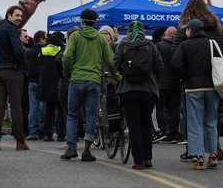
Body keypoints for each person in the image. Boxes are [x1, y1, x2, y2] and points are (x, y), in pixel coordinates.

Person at [60, 9, 117, 162]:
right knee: (91, 115)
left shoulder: (75, 36)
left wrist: (67, 72)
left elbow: (67, 57)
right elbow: (110, 61)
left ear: (81, 21)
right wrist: (117, 76)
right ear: (96, 22)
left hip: (76, 79)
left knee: (72, 114)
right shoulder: (101, 39)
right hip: (94, 81)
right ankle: (86, 150)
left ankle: (71, 147)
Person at [170, 19, 220, 170]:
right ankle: (212, 154)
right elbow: (221, 61)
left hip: (193, 87)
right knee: (211, 121)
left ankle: (199, 157)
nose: (186, 32)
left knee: (195, 122)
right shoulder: (212, 44)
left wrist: (186, 76)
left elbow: (175, 64)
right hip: (212, 87)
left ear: (191, 30)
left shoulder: (185, 45)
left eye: (187, 30)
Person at [114, 21, 163, 170]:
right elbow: (160, 66)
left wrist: (126, 72)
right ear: (142, 31)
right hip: (148, 90)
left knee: (134, 124)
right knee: (146, 123)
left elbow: (115, 65)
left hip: (128, 89)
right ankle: (148, 158)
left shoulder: (123, 45)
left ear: (128, 31)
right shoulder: (151, 45)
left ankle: (138, 160)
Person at [0, 5, 29, 151]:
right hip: (13, 70)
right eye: (16, 15)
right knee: (16, 106)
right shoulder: (12, 30)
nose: (19, 18)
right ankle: (20, 142)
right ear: (9, 16)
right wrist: (24, 66)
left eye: (20, 16)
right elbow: (18, 51)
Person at [155, 26, 183, 143]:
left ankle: (163, 131)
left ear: (165, 33)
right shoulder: (178, 47)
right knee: (174, 109)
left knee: (160, 109)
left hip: (161, 83)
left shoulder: (159, 46)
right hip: (175, 83)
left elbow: (155, 63)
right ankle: (174, 132)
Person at [37, 32, 65, 142]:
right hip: (59, 81)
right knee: (61, 110)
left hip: (46, 83)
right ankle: (61, 134)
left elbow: (39, 64)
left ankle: (47, 134)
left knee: (48, 110)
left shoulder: (43, 49)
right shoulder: (62, 48)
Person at [26, 30, 47, 140]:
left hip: (31, 81)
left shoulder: (28, 51)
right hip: (42, 81)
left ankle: (32, 130)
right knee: (43, 106)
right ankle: (41, 130)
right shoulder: (45, 51)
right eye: (45, 38)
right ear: (41, 39)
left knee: (33, 107)